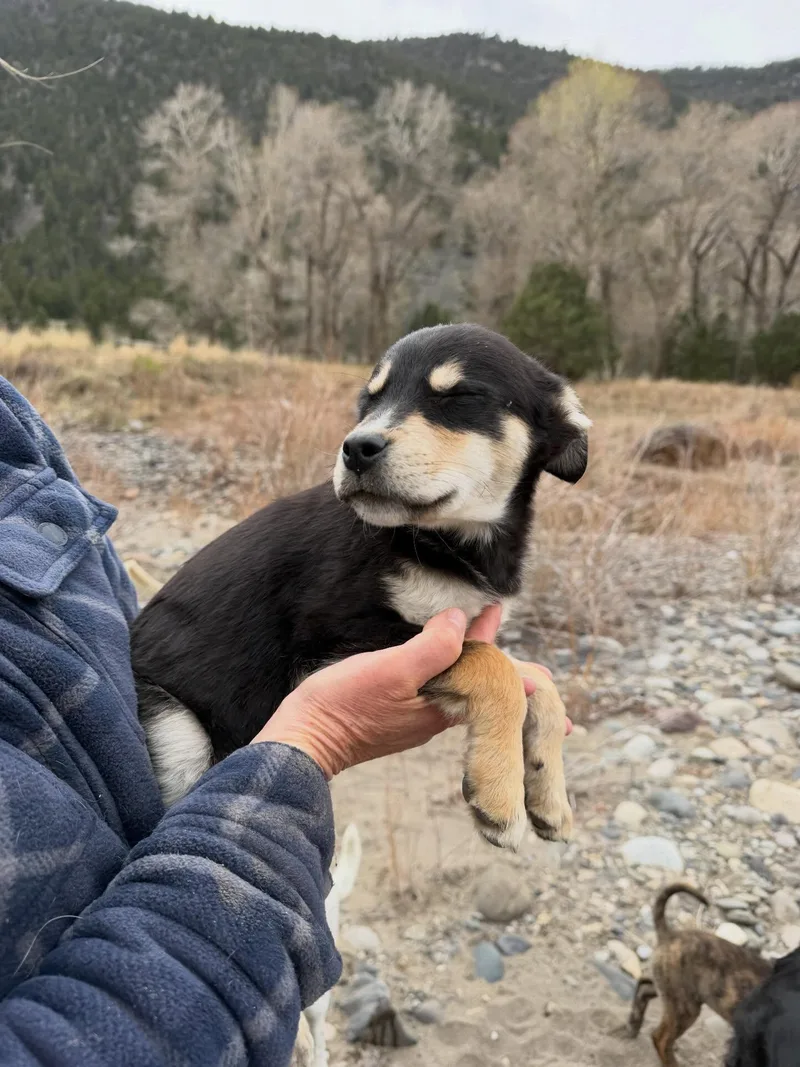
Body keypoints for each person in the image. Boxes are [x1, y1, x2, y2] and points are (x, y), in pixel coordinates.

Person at [0, 375, 563, 1066]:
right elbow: (361, 657)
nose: (370, 430)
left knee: (509, 679)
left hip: (191, 781)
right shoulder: (365, 538)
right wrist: (314, 741)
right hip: (188, 797)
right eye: (373, 402)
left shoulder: (15, 432)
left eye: (452, 401)